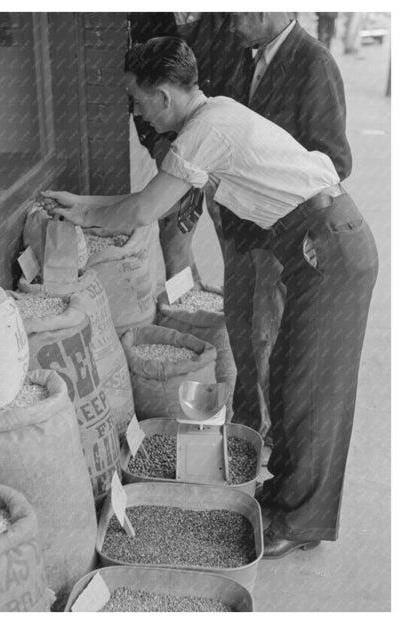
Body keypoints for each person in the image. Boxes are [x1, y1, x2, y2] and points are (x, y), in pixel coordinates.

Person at [44, 37, 378, 558]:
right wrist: (82, 205)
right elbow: (145, 201)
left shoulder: (203, 131)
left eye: (136, 99)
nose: (135, 111)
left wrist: (84, 214)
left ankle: (299, 520)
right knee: (292, 376)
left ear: (162, 97)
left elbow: (141, 211)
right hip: (316, 241)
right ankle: (285, 496)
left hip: (330, 246)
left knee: (313, 389)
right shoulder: (211, 116)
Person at [224, 12, 353, 443]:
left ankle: (272, 452)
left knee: (269, 349)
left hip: (280, 243)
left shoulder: (313, 62)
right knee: (243, 341)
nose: (229, 22)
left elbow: (335, 161)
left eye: (236, 11)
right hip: (241, 233)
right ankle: (248, 438)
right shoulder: (248, 57)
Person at [128, 12, 250, 280]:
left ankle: (238, 310)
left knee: (235, 239)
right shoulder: (143, 16)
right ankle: (185, 308)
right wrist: (158, 144)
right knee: (174, 235)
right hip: (175, 147)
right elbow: (138, 87)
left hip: (225, 150)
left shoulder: (234, 16)